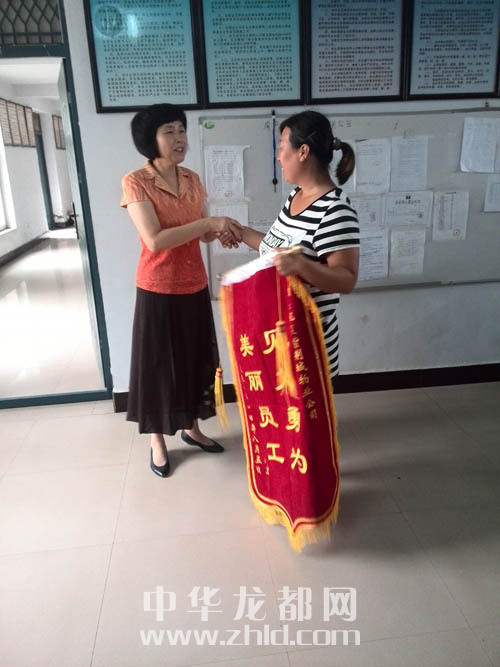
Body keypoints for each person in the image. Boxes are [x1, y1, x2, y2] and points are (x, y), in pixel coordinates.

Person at [121, 103, 242, 477]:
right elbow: (155, 240)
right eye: (169, 131)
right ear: (150, 139)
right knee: (158, 366)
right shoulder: (135, 182)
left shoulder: (191, 178)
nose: (179, 138)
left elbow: (201, 232)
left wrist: (218, 232)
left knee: (194, 360)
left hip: (194, 283)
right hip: (157, 287)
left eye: (182, 130)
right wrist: (208, 223)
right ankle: (156, 439)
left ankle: (192, 428)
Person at [224, 109, 359, 379]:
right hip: (279, 338)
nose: (278, 157)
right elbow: (276, 249)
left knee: (306, 408)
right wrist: (239, 231)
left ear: (303, 152)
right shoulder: (296, 196)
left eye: (282, 147)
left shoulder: (334, 210)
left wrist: (301, 265)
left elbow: (346, 280)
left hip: (309, 346)